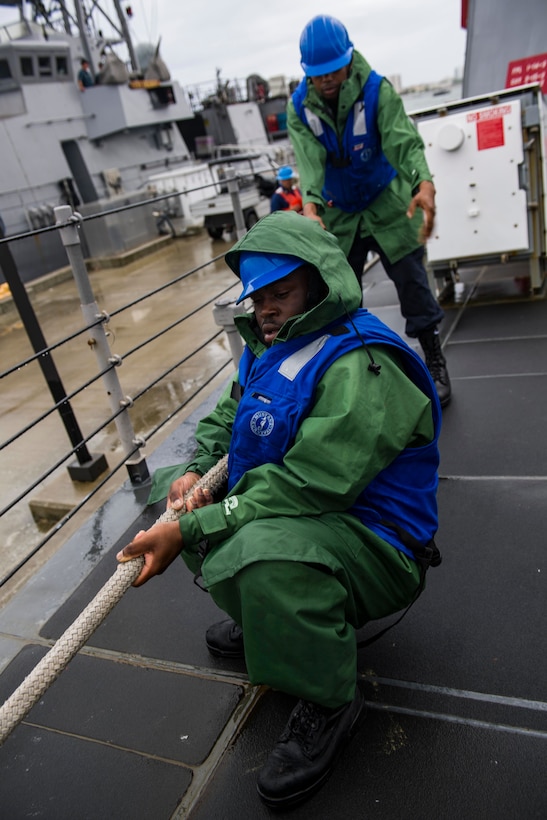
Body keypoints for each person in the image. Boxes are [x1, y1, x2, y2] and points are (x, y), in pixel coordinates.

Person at [117, 210, 441, 809]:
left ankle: (329, 699)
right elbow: (227, 419)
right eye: (257, 296)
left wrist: (193, 525)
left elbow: (306, 484)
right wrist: (196, 470)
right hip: (316, 513)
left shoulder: (362, 366)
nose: (265, 308)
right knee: (184, 490)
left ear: (319, 286)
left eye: (281, 294)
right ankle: (278, 623)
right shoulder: (270, 343)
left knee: (258, 553)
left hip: (377, 542)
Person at [287, 15, 451, 407]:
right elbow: (309, 161)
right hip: (339, 211)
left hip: (387, 202)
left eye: (333, 71)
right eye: (318, 74)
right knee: (337, 295)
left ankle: (434, 357)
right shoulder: (299, 107)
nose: (326, 80)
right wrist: (310, 202)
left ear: (348, 58)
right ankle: (353, 371)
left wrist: (422, 183)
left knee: (413, 282)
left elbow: (403, 143)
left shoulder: (378, 90)